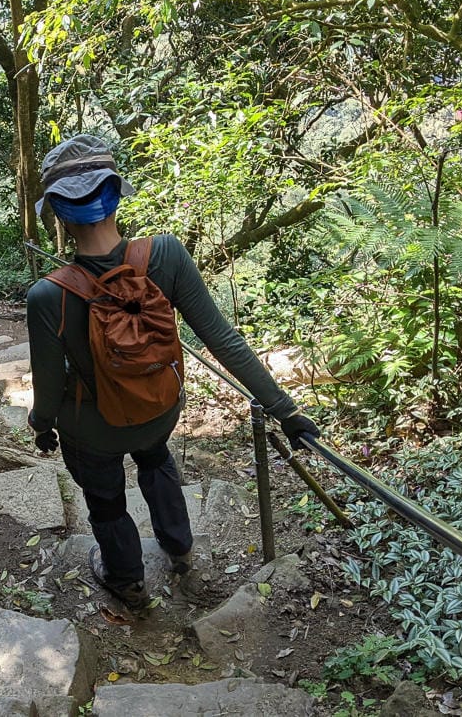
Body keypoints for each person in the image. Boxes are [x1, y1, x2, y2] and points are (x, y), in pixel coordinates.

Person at [26, 134, 320, 609]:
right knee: (155, 456)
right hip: (159, 408)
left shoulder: (47, 295)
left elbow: (48, 386)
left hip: (93, 430)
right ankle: (179, 544)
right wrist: (285, 410)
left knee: (104, 497)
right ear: (116, 193)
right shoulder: (166, 254)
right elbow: (223, 340)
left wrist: (42, 426)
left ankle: (127, 581)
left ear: (59, 213)